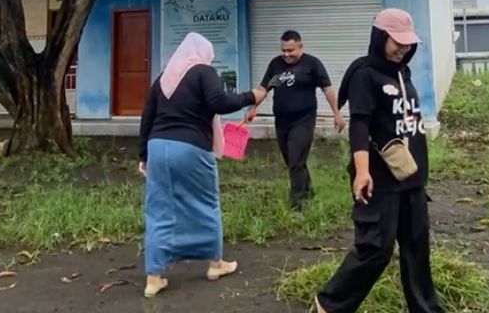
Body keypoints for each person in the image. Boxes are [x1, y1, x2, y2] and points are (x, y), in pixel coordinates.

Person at [313, 9, 451, 313]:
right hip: (377, 177)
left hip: (411, 179)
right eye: (396, 42)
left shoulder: (402, 72)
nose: (403, 48)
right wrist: (362, 172)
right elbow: (359, 124)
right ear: (380, 38)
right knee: (375, 247)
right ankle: (328, 307)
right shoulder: (366, 74)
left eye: (407, 43)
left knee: (417, 250)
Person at [138, 32, 266, 298]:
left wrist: (143, 155)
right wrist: (250, 96)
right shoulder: (203, 72)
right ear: (202, 53)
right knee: (205, 203)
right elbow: (219, 102)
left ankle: (153, 278)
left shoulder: (162, 80)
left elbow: (147, 118)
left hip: (157, 146)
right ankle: (215, 264)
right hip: (191, 146)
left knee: (159, 208)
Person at [246, 30, 345, 210]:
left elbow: (327, 89)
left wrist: (336, 113)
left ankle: (297, 205)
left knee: (296, 159)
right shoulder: (276, 65)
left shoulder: (311, 64)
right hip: (282, 120)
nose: (286, 54)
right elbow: (264, 88)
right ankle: (307, 190)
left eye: (290, 50)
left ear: (300, 47)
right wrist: (253, 108)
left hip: (304, 119)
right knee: (292, 160)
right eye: (283, 50)